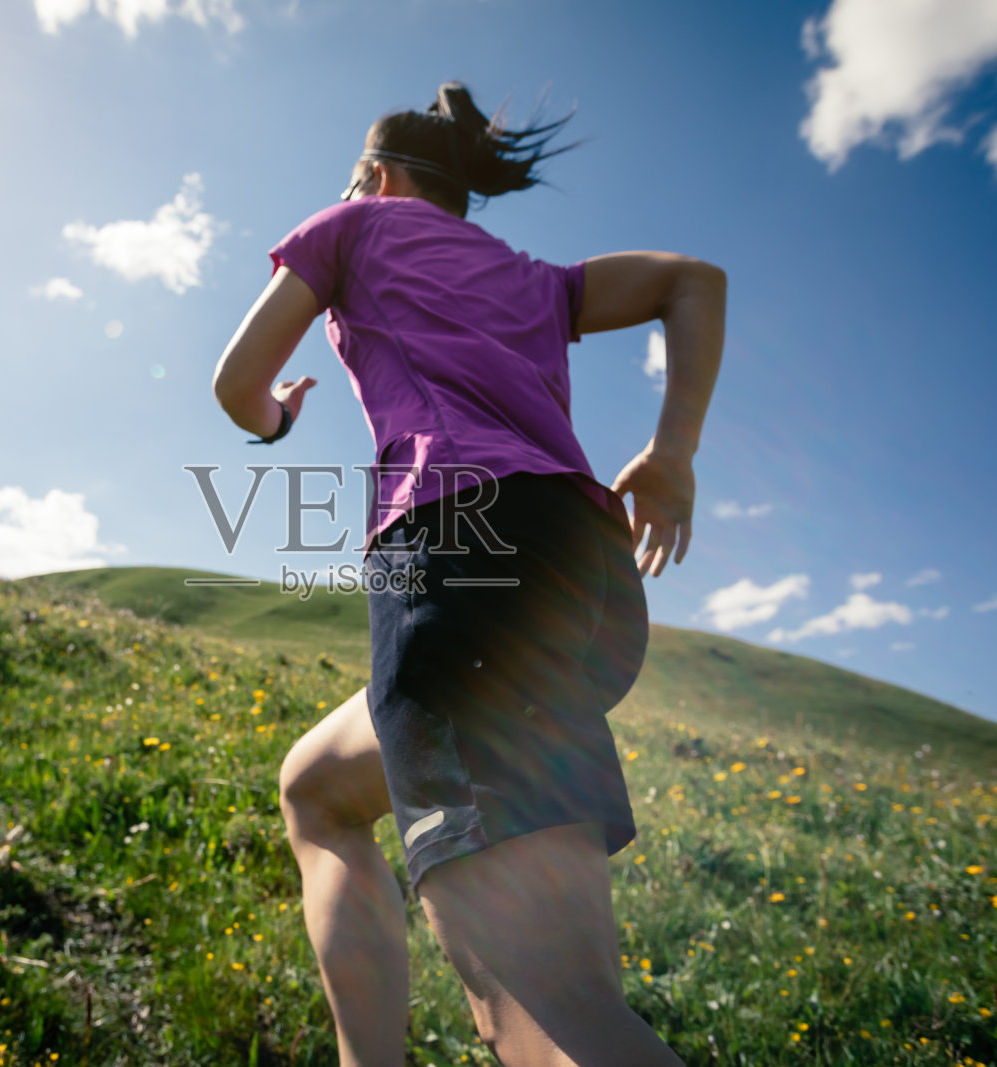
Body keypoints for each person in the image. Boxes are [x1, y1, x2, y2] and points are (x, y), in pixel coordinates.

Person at [211, 82, 724, 1067]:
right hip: (585, 577)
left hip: (461, 552)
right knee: (315, 789)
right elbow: (692, 278)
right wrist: (671, 454)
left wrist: (275, 415)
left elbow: (237, 383)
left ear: (373, 174)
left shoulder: (352, 226)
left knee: (543, 1017)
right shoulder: (537, 279)